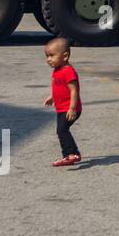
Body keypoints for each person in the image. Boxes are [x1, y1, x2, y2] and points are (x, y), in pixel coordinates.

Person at [42, 37, 82, 167]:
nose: (48, 59)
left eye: (52, 55)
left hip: (69, 108)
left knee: (62, 130)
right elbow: (58, 87)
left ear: (65, 56)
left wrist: (72, 108)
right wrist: (52, 97)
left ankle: (71, 154)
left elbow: (74, 91)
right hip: (60, 108)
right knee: (61, 130)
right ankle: (69, 155)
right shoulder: (57, 70)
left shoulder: (68, 71)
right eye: (47, 56)